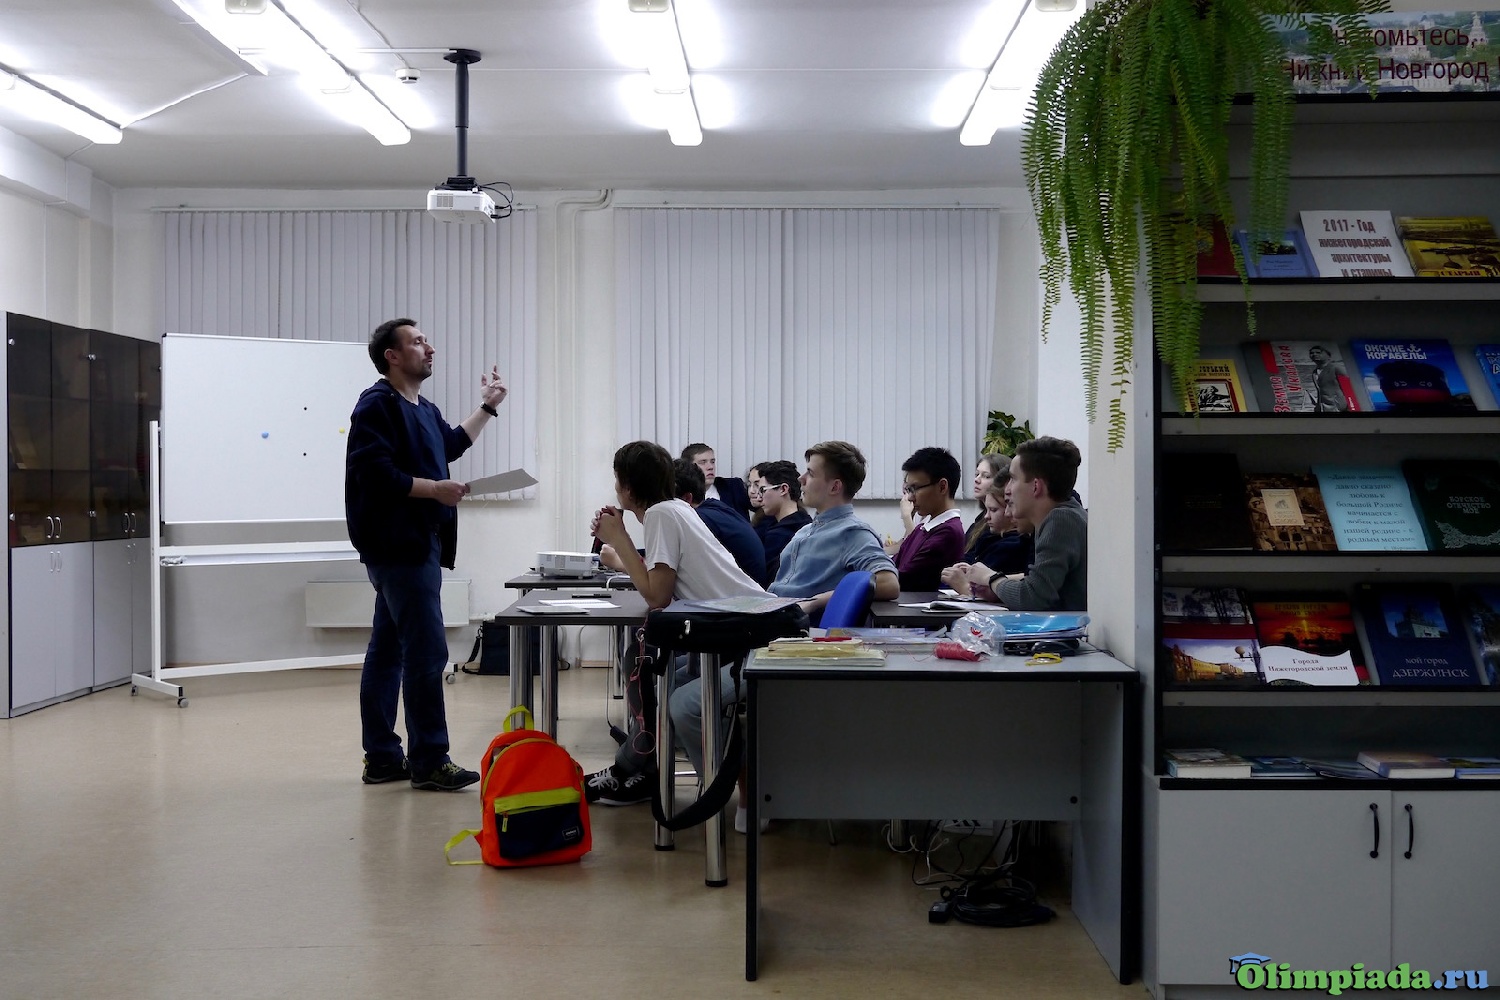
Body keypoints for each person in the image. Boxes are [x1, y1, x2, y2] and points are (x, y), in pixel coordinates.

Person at [345, 317, 508, 791]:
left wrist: (487, 407)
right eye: (418, 342)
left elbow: (450, 444)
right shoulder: (377, 405)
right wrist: (435, 489)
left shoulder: (423, 407)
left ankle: (382, 759)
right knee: (425, 651)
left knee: (388, 650)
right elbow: (375, 474)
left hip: (419, 543)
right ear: (392, 356)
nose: (429, 348)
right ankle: (430, 760)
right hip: (398, 546)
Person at [587, 441, 765, 805]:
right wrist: (621, 534)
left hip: (752, 639)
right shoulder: (673, 510)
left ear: (626, 487)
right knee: (655, 689)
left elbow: (657, 596)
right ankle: (641, 770)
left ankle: (739, 790)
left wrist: (619, 539)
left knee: (678, 702)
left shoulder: (662, 516)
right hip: (740, 630)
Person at [766, 440, 899, 619]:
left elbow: (889, 583)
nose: (801, 479)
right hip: (772, 614)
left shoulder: (852, 533)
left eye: (811, 473)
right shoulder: (805, 530)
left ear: (835, 487)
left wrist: (816, 601)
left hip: (795, 625)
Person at [958, 436, 1086, 611]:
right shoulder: (1061, 516)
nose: (1007, 489)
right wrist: (998, 590)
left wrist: (991, 578)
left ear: (1036, 487)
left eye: (1013, 479)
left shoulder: (1061, 520)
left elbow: (1032, 597)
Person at [940, 476, 1034, 598]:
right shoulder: (987, 536)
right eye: (986, 510)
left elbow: (1023, 588)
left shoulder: (1013, 545)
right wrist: (969, 571)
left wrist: (967, 586)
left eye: (993, 510)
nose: (986, 516)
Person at [892, 447, 967, 591]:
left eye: (915, 488)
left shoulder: (948, 532)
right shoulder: (926, 525)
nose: (910, 497)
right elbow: (895, 562)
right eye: (908, 490)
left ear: (942, 487)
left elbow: (904, 578)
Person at [751, 459, 812, 580]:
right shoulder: (808, 523)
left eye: (763, 490)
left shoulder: (779, 536)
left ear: (783, 489)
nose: (759, 497)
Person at [682, 443, 751, 519]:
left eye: (712, 462)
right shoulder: (683, 496)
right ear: (689, 467)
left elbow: (760, 507)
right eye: (703, 462)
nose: (710, 467)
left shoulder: (733, 486)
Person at [963, 454, 1010, 552]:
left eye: (986, 476)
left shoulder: (999, 525)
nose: (977, 480)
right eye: (977, 474)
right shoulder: (980, 519)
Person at [1308, 344, 1351, 413]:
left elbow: (1349, 389)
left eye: (1318, 352)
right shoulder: (1314, 373)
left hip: (1340, 408)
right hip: (1325, 408)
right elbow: (1320, 391)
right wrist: (1318, 407)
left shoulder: (1336, 368)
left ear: (1328, 356)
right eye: (1311, 353)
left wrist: (1350, 407)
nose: (1314, 354)